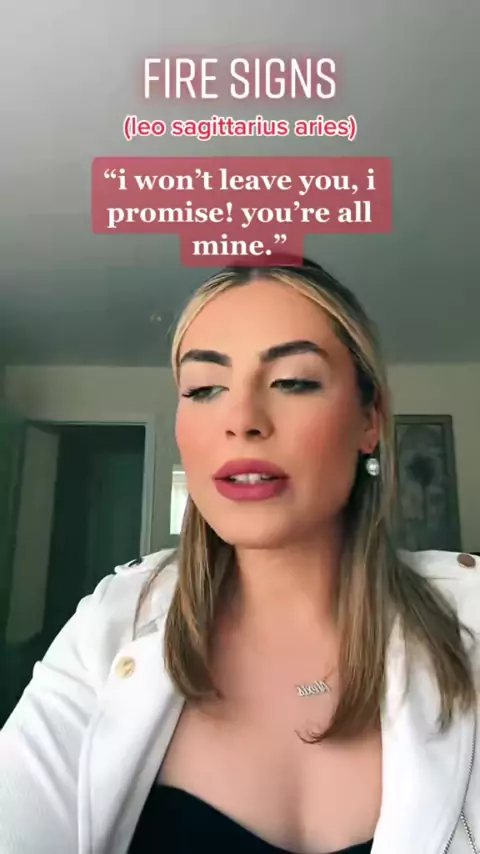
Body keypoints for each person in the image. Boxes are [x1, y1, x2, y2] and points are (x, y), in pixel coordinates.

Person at [0, 259, 479, 854]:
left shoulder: (469, 621)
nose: (242, 420)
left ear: (368, 420)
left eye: (293, 382)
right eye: (204, 389)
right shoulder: (111, 625)